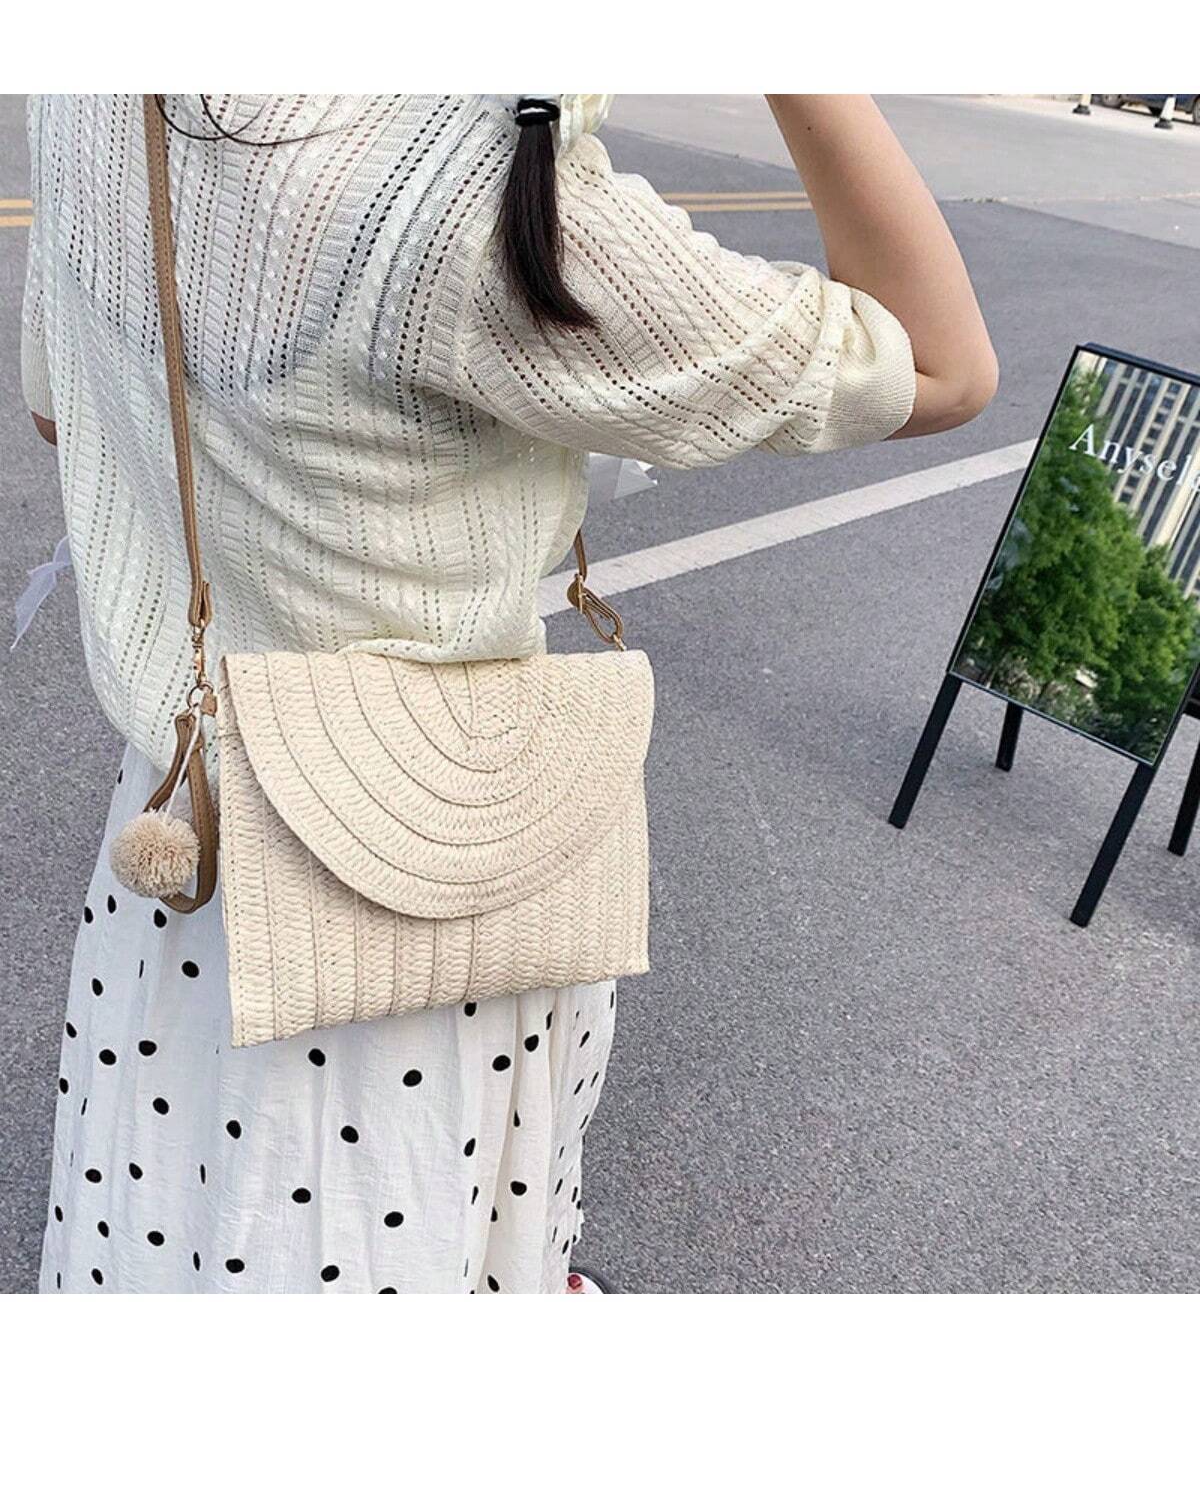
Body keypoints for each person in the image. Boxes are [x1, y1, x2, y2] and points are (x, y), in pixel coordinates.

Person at [23, 93, 996, 1295]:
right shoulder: (478, 185)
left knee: (169, 1229)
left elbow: (64, 409)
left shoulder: (100, 90)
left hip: (186, 850)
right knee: (409, 1238)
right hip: (432, 890)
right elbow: (943, 363)